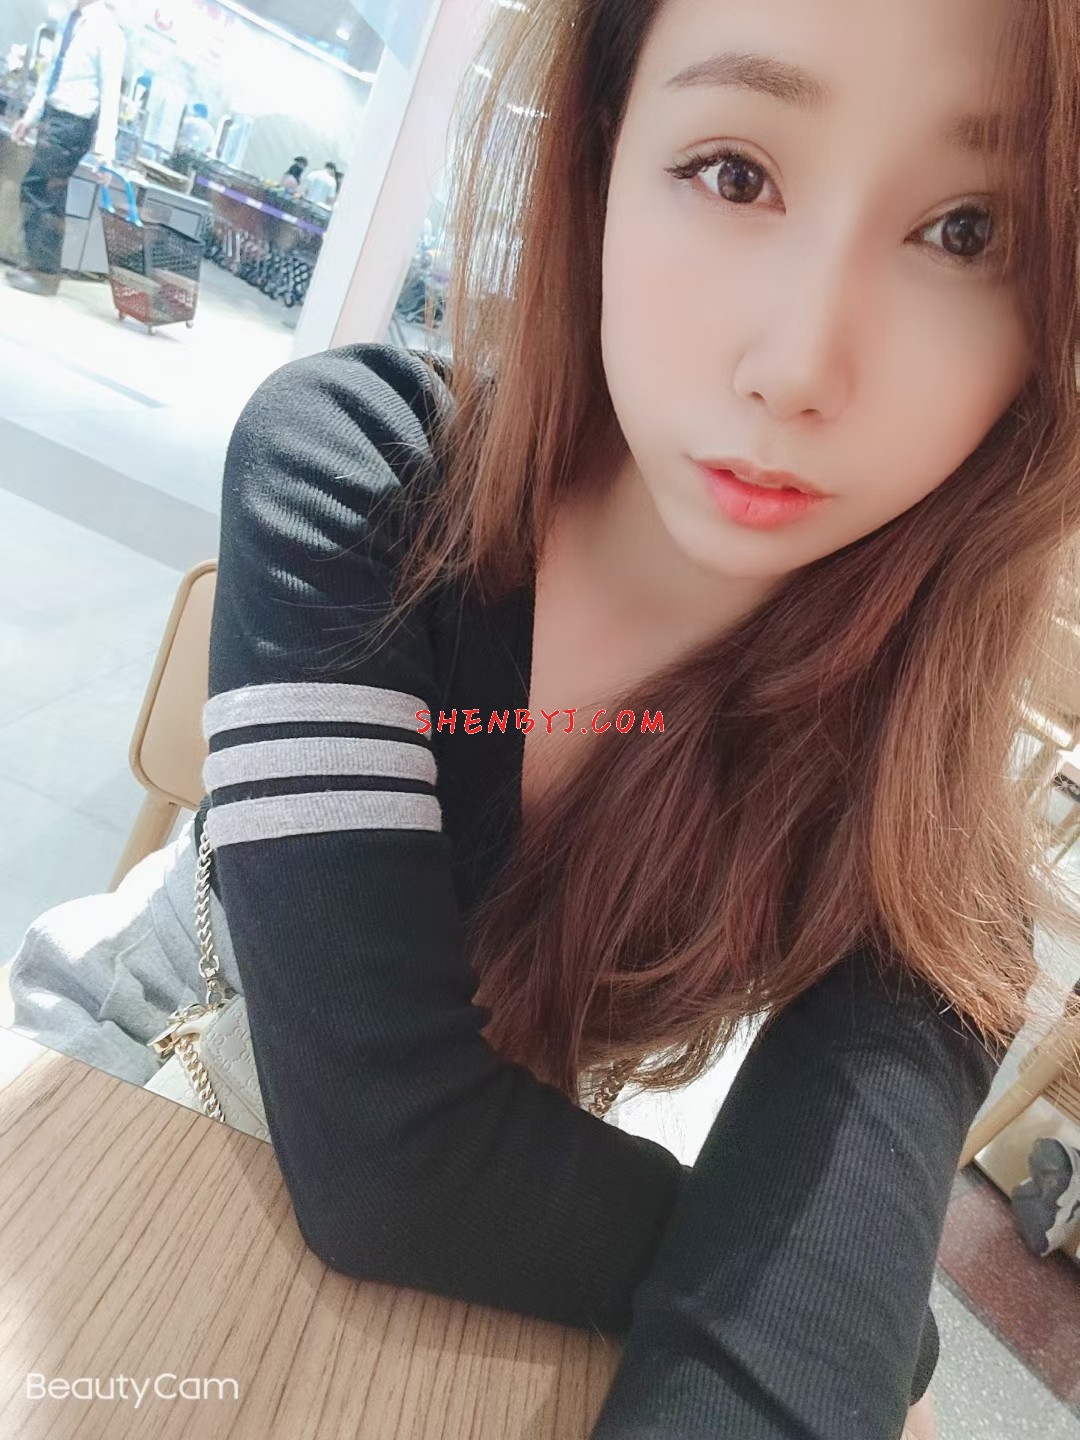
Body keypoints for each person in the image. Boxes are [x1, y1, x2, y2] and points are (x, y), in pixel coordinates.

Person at [7, 1, 1080, 1437]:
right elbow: (388, 1158)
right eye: (735, 172)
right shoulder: (367, 479)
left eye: (966, 231)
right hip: (138, 1073)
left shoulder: (927, 839)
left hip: (461, 1253)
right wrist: (812, 1291)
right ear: (600, 158)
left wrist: (819, 1315)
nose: (798, 366)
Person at [5, 0, 126, 298]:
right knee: (44, 193)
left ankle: (45, 273)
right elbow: (50, 75)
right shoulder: (71, 20)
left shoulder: (108, 31)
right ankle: (38, 265)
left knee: (42, 191)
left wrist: (104, 151)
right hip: (53, 115)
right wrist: (30, 118)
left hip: (74, 123)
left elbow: (111, 93)